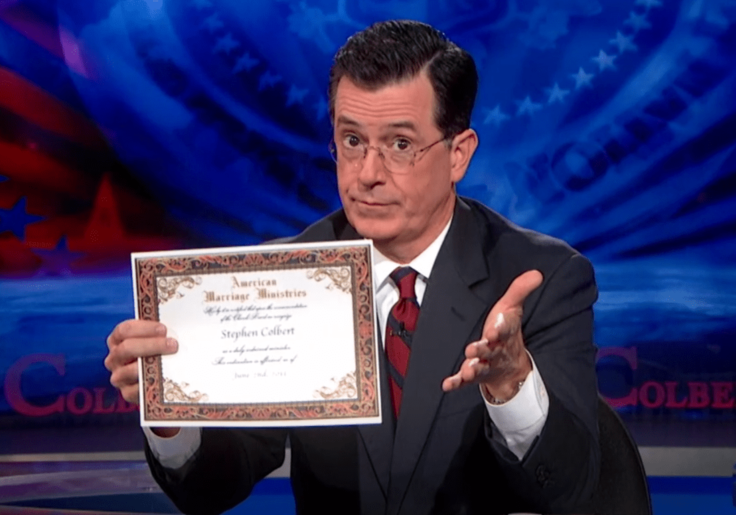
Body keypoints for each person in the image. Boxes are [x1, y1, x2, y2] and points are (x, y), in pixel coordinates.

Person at [105, 20, 600, 515]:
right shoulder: (284, 279)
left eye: (400, 145)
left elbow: (569, 487)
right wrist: (170, 414)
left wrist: (512, 382)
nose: (367, 174)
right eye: (352, 141)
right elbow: (213, 488)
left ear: (458, 155)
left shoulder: (543, 279)